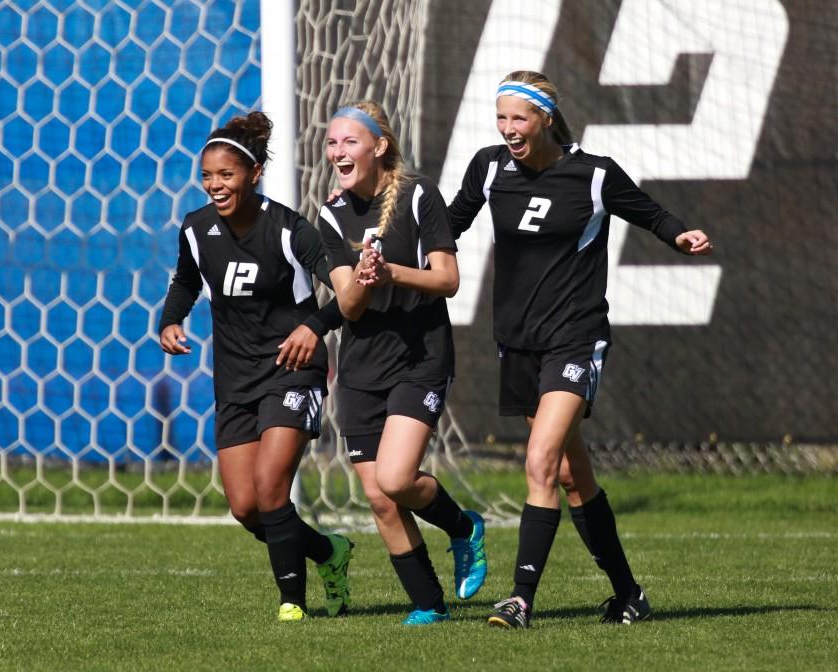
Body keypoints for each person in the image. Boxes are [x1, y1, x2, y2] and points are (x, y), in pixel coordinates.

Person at [446, 70, 713, 629]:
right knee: (571, 476)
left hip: (575, 335)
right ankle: (629, 594)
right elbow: (447, 227)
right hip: (517, 341)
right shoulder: (490, 167)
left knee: (540, 461)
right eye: (501, 117)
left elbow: (650, 212)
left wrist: (680, 235)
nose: (508, 128)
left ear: (546, 118)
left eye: (519, 117)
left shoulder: (593, 174)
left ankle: (519, 599)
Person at [158, 111, 353, 622]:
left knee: (271, 489)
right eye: (207, 176)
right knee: (245, 507)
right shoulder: (196, 229)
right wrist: (171, 320)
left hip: (293, 371)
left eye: (226, 175)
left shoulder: (290, 230)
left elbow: (350, 295)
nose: (215, 185)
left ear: (252, 175)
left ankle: (292, 602)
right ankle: (330, 553)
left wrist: (314, 327)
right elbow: (185, 281)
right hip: (236, 378)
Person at [317, 101, 487, 626]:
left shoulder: (418, 196)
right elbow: (346, 307)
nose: (337, 152)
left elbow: (448, 280)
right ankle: (427, 605)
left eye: (349, 141)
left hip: (421, 357)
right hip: (362, 365)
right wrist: (362, 284)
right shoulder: (330, 214)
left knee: (394, 477)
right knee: (379, 497)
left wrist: (392, 272)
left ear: (379, 146)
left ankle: (462, 528)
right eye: (331, 143)